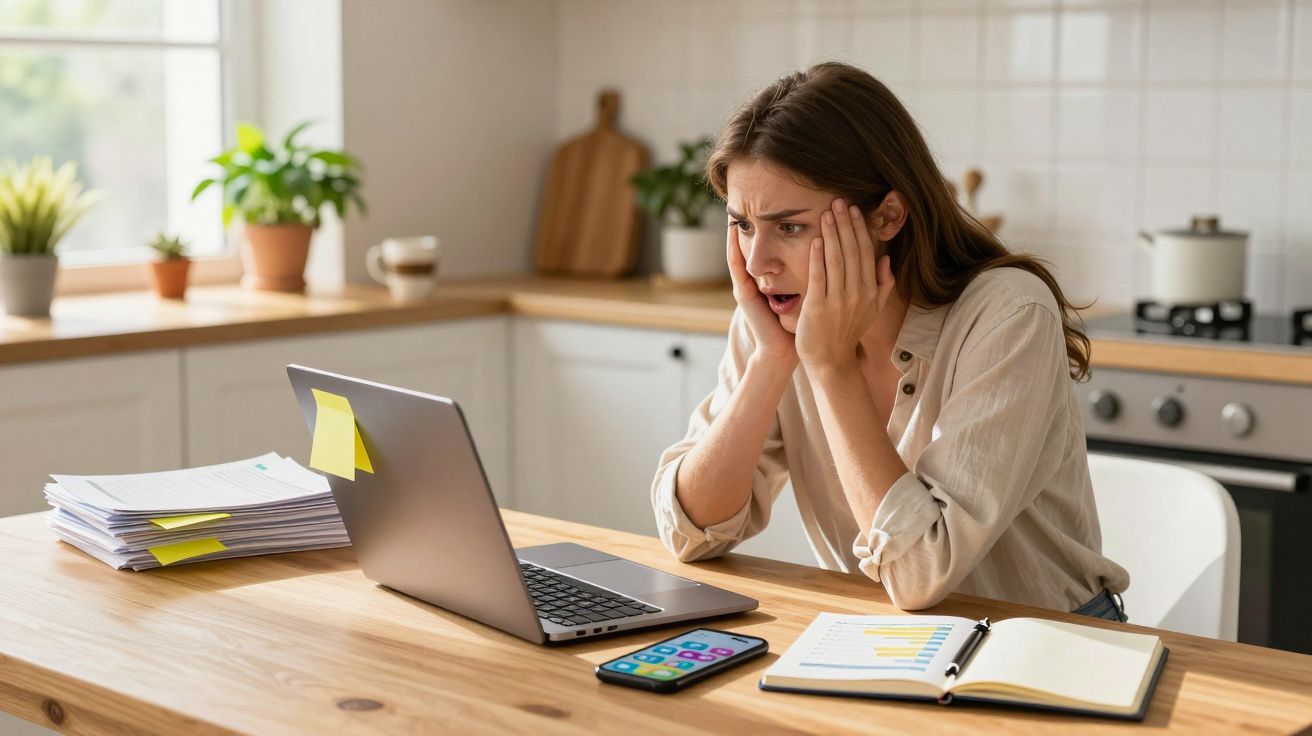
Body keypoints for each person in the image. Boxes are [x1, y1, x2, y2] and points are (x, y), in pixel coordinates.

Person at [649, 61, 1129, 621]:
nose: (758, 264)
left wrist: (828, 366)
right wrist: (770, 361)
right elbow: (690, 533)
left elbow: (921, 572)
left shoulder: (1007, 315)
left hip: (1048, 646)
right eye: (744, 226)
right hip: (884, 641)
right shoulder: (775, 317)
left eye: (790, 227)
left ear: (887, 216)